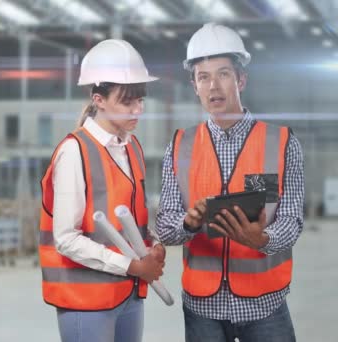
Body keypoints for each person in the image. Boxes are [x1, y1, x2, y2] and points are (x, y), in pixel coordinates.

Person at [156, 23, 304, 342]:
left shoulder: (280, 142)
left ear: (241, 79)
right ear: (194, 85)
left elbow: (291, 220)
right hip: (202, 309)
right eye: (203, 76)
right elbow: (165, 225)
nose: (214, 86)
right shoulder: (180, 145)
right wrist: (188, 222)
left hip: (265, 305)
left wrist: (262, 239)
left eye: (223, 74)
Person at [38, 39, 166, 342]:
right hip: (87, 301)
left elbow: (135, 213)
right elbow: (66, 238)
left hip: (129, 293)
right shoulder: (74, 151)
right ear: (99, 99)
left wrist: (154, 245)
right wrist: (132, 265)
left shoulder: (131, 146)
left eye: (141, 100)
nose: (138, 109)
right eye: (127, 102)